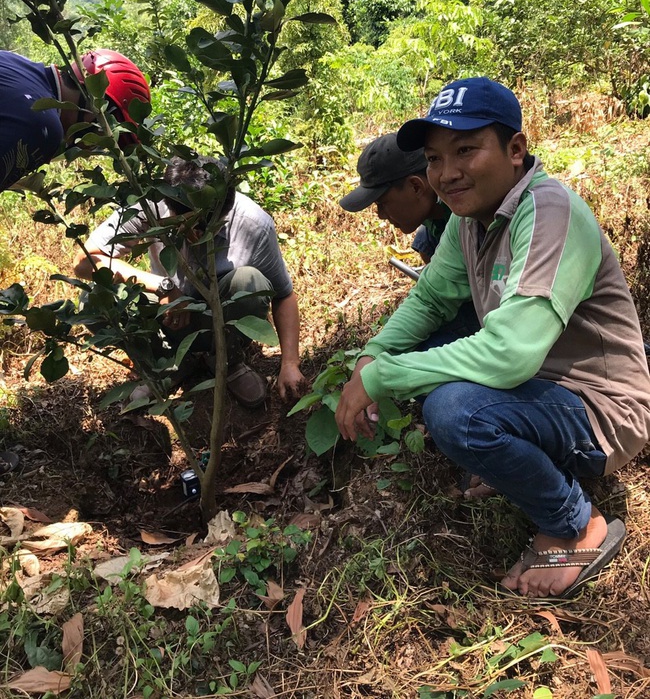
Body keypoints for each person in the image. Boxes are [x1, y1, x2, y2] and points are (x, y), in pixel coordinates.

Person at [335, 76, 650, 599]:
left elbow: (509, 355)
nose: (447, 173)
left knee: (455, 410)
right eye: (434, 158)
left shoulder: (550, 212)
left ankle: (576, 526)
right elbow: (430, 299)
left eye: (465, 150)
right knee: (441, 356)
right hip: (546, 392)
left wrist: (384, 376)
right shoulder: (470, 220)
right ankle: (529, 464)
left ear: (515, 149)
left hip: (603, 409)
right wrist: (373, 354)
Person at [73, 156, 306, 408]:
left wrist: (290, 363)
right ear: (169, 206)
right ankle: (168, 363)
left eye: (208, 227)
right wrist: (163, 286)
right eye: (187, 225)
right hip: (168, 316)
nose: (197, 234)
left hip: (220, 317)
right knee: (95, 297)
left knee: (251, 281)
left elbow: (283, 294)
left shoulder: (253, 225)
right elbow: (85, 261)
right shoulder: (151, 204)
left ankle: (226, 361)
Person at [339, 132, 478, 340]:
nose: (380, 215)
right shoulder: (432, 224)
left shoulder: (467, 220)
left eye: (382, 203)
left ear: (416, 187)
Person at [0, 48, 149, 192]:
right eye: (109, 132)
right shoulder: (43, 127)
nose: (93, 147)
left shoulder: (15, 62)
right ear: (99, 107)